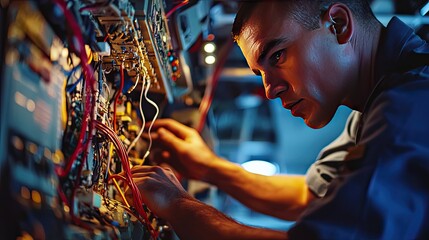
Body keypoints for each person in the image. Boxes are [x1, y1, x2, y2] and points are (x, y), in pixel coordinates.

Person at [129, 0, 429, 239]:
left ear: (338, 24)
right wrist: (209, 168)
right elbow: (309, 195)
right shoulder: (376, 101)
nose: (270, 91)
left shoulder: (407, 107)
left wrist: (178, 207)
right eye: (260, 73)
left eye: (277, 57)